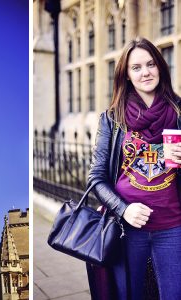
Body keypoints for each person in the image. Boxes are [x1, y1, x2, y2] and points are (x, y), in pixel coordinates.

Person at [87, 36, 181, 300]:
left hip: (173, 226)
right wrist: (123, 209)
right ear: (126, 75)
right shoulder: (112, 118)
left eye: (151, 64)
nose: (146, 72)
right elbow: (96, 177)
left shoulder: (178, 110)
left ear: (160, 67)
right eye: (136, 67)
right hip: (127, 228)